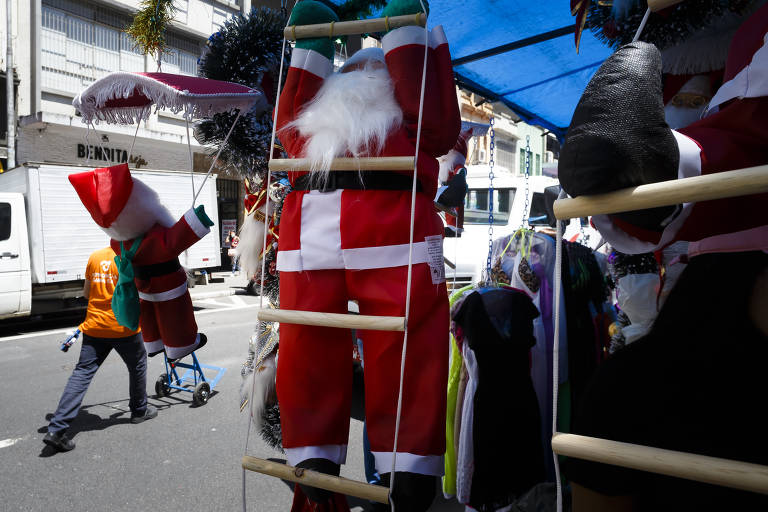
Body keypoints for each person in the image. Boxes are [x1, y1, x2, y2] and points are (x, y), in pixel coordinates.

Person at [267, 0, 460, 509]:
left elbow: (288, 125)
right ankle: (403, 465)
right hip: (383, 223)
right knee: (404, 342)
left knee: (312, 337)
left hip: (320, 224)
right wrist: (403, 40)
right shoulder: (404, 117)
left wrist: (310, 48)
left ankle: (325, 458)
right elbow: (438, 124)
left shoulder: (315, 126)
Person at [43, 246, 157, 452]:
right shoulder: (131, 259)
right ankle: (139, 410)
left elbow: (87, 293)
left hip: (94, 327)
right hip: (124, 328)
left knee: (82, 373)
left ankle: (57, 429)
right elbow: (144, 292)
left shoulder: (95, 257)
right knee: (138, 365)